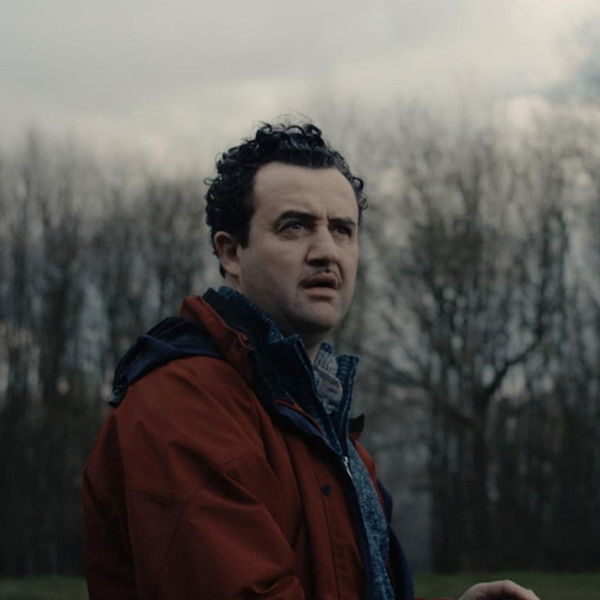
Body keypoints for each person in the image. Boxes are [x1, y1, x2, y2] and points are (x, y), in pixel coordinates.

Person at [82, 123, 540, 600]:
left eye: (342, 230)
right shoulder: (183, 406)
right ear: (231, 252)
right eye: (295, 226)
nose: (326, 252)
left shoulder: (320, 421)